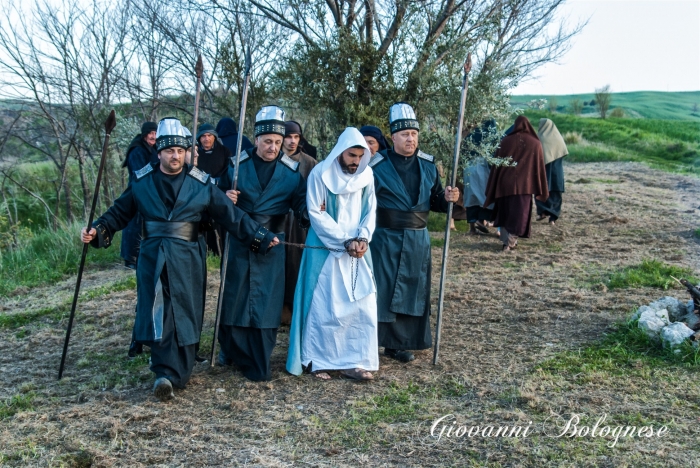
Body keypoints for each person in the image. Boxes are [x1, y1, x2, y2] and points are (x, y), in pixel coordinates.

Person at [80, 117, 278, 401]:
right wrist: (97, 230)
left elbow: (231, 217)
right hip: (153, 255)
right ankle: (164, 372)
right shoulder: (142, 180)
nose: (176, 156)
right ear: (159, 152)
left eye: (181, 151)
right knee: (160, 308)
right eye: (170, 151)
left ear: (187, 152)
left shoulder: (202, 183)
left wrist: (259, 235)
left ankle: (179, 369)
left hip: (188, 256)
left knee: (186, 310)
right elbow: (118, 213)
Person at [216, 105, 309, 381]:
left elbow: (301, 203)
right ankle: (230, 349)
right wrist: (225, 196)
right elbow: (216, 198)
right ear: (256, 139)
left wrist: (309, 211)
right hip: (239, 240)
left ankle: (258, 357)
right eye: (268, 141)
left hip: (273, 242)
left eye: (278, 143)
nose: (273, 147)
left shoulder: (291, 173)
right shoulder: (235, 166)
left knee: (266, 301)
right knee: (235, 296)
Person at [369, 102, 459, 363]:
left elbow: (436, 202)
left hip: (418, 238)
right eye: (405, 134)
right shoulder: (376, 165)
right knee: (383, 290)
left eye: (414, 134)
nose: (411, 139)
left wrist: (449, 198)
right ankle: (373, 341)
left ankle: (400, 344)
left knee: (413, 289)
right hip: (385, 237)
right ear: (393, 137)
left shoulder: (428, 165)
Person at [287, 127, 378, 380]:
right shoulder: (320, 173)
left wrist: (362, 238)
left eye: (360, 157)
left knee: (361, 305)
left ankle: (355, 360)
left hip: (358, 249)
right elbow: (316, 212)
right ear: (340, 152)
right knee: (324, 305)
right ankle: (320, 361)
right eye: (351, 156)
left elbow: (370, 210)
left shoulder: (367, 175)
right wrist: (343, 240)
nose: (355, 162)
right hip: (327, 248)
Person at [484, 115, 548, 251]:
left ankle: (507, 241)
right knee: (520, 214)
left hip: (505, 184)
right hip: (525, 186)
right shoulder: (535, 143)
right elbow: (539, 167)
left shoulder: (505, 141)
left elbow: (496, 164)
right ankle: (510, 242)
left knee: (506, 212)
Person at [281, 121, 317, 324]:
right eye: (288, 137)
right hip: (277, 219)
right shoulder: (274, 159)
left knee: (296, 263)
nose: (293, 141)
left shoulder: (309, 162)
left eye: (296, 137)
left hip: (299, 223)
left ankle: (294, 310)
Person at [120, 121, 158, 269]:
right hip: (137, 191)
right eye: (151, 133)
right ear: (145, 134)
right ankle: (130, 258)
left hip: (148, 190)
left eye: (156, 133)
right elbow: (140, 173)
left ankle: (140, 255)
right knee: (133, 224)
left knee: (142, 224)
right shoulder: (137, 151)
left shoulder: (151, 148)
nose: (153, 136)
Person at [195, 123, 232, 256]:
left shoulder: (224, 151)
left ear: (214, 137)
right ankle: (207, 249)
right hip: (201, 191)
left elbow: (228, 170)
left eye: (209, 135)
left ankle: (219, 250)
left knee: (220, 220)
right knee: (204, 220)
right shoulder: (196, 153)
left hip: (220, 190)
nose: (206, 139)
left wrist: (218, 182)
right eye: (203, 136)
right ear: (199, 138)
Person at [463, 119, 498, 235]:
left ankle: (472, 228)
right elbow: (494, 156)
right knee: (483, 197)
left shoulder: (472, 135)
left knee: (471, 198)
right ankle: (481, 220)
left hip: (468, 168)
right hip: (483, 169)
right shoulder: (492, 137)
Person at [535, 118, 568, 225]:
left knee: (542, 190)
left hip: (544, 171)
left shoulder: (540, 138)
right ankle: (553, 218)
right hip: (557, 171)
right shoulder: (558, 138)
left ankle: (543, 212)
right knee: (556, 191)